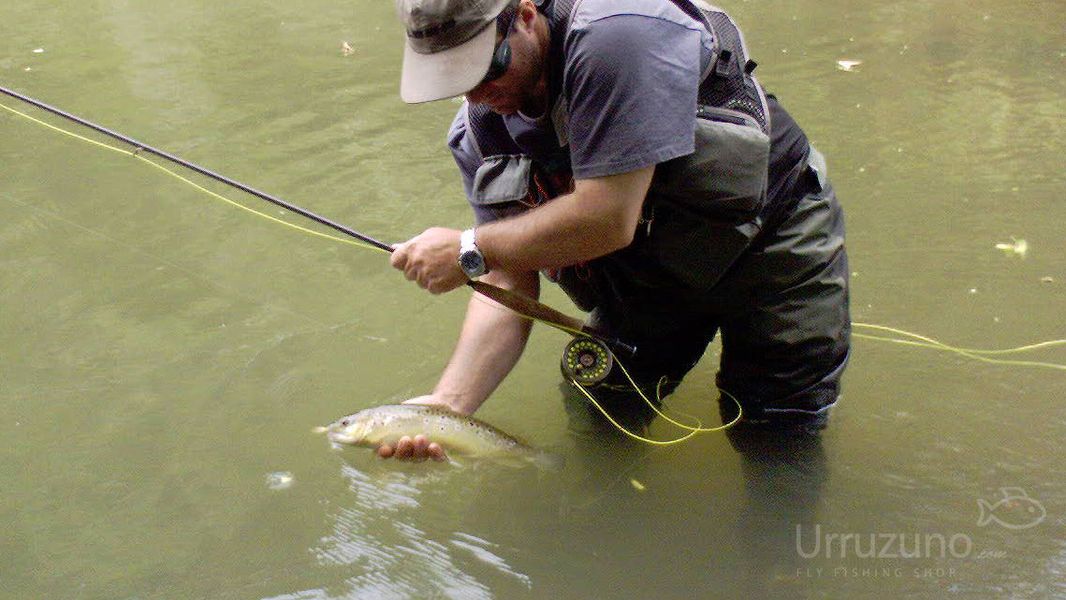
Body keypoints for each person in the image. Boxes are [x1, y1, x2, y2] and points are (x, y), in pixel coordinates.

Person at [381, 0, 850, 460]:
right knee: (601, 410)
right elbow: (505, 275)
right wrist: (449, 406)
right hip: (651, 275)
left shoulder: (618, 31)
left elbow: (607, 216)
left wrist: (469, 247)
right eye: (456, 81)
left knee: (776, 436)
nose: (478, 94)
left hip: (772, 237)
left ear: (525, 16)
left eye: (487, 68)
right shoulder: (478, 136)